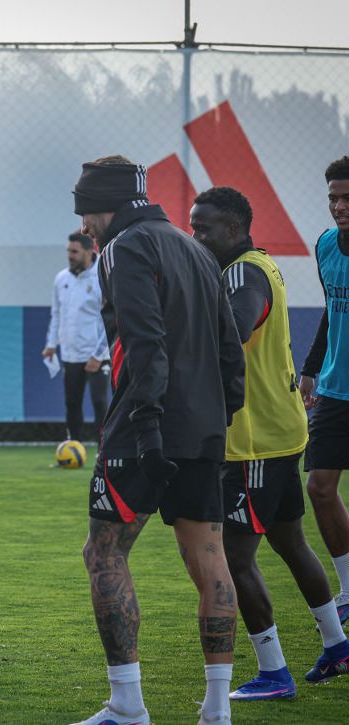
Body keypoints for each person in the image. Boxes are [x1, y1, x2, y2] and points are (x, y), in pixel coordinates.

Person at [69, 157, 245, 725]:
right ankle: (216, 710)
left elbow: (143, 340)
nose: (83, 227)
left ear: (107, 206)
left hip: (144, 429)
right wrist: (221, 415)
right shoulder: (195, 248)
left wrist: (145, 426)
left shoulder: (123, 248)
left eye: (85, 212)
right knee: (210, 558)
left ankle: (127, 706)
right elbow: (230, 348)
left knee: (103, 553)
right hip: (203, 428)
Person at [190, 185, 349, 700]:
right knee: (290, 542)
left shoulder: (242, 274)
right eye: (192, 227)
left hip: (252, 442)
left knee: (233, 558)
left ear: (233, 228)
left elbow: (236, 327)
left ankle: (273, 672)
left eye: (203, 228)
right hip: (278, 433)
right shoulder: (261, 264)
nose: (196, 236)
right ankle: (337, 645)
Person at [300, 155, 349, 624]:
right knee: (319, 487)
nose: (338, 206)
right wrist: (311, 369)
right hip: (335, 388)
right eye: (333, 197)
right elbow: (332, 310)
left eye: (347, 198)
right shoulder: (325, 245)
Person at [43, 231, 110, 442]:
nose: (70, 256)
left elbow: (110, 318)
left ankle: (104, 451)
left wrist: (99, 355)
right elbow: (57, 314)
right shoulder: (61, 278)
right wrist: (51, 344)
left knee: (100, 403)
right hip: (71, 354)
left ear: (89, 252)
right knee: (72, 403)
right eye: (68, 251)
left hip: (97, 355)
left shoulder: (102, 276)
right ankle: (73, 447)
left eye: (75, 252)